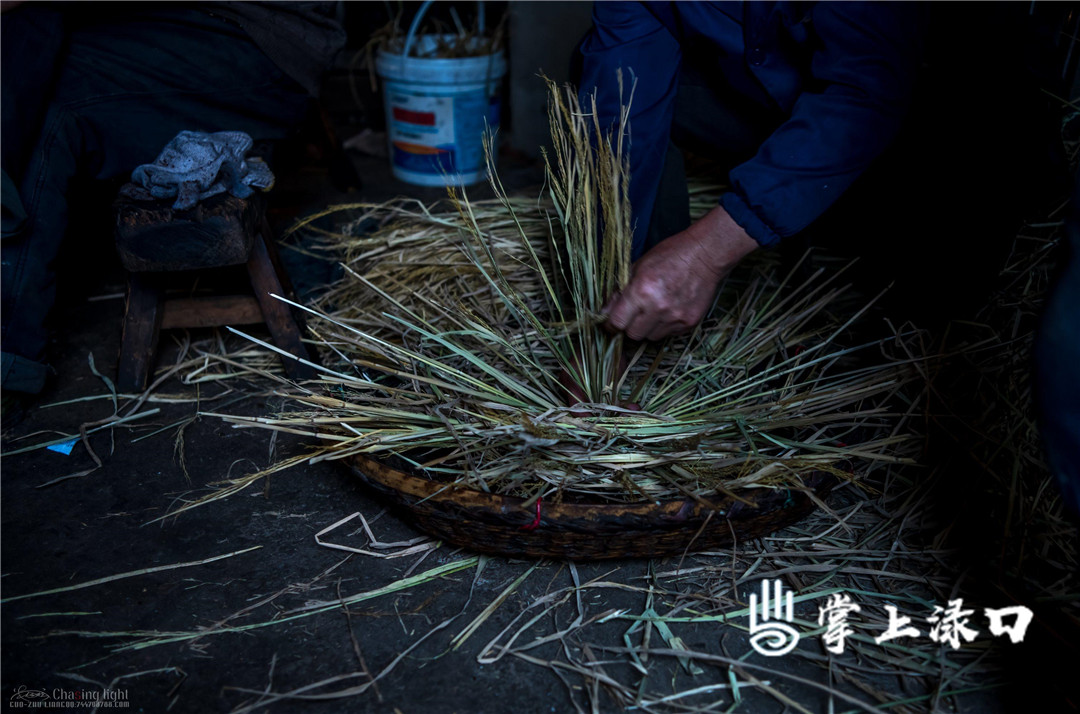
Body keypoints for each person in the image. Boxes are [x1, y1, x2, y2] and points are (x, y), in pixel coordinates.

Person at [0, 2, 345, 406]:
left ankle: (9, 364)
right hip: (183, 21)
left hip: (255, 41)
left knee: (43, 92)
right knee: (24, 59)